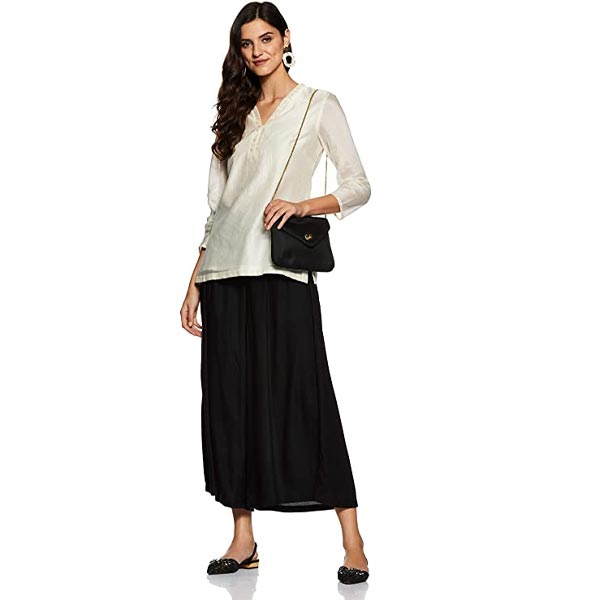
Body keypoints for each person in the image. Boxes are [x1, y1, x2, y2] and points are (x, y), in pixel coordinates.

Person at [180, 2, 371, 585]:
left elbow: (358, 184)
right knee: (230, 406)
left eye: (266, 38)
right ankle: (243, 538)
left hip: (281, 273)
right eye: (246, 43)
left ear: (286, 39)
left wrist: (303, 204)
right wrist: (194, 282)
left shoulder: (318, 104)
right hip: (223, 275)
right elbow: (218, 208)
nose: (257, 51)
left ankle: (354, 541)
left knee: (307, 397)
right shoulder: (233, 114)